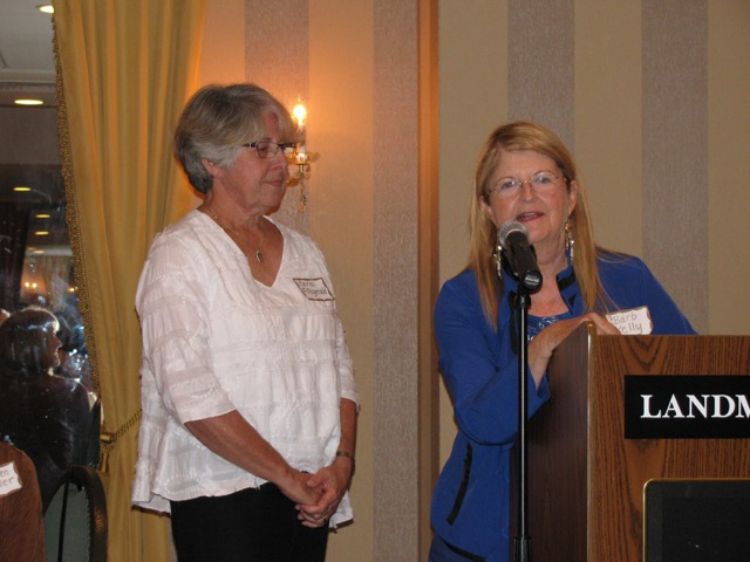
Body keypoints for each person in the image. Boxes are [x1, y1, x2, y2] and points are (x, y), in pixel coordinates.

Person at [429, 121, 694, 562]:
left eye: (543, 179)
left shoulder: (628, 279)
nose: (528, 195)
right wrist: (544, 346)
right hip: (487, 539)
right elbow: (482, 421)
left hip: (611, 526)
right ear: (489, 209)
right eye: (508, 184)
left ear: (570, 197)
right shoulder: (463, 299)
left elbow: (691, 380)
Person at [132, 83, 359, 562]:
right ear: (211, 161)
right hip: (221, 495)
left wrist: (341, 465)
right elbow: (189, 393)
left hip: (310, 491)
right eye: (262, 148)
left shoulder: (306, 254)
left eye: (285, 147)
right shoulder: (179, 255)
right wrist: (284, 476)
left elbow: (339, 370)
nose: (282, 162)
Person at [0, 306, 94, 508]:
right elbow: (76, 463)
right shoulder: (67, 392)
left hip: (9, 499)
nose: (59, 342)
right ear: (34, 342)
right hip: (50, 505)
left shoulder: (7, 391)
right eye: (52, 334)